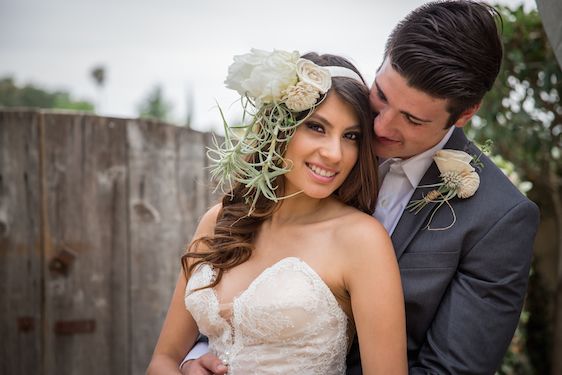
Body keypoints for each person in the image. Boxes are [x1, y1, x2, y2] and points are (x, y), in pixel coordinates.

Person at [181, 1, 540, 374]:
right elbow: (245, 297)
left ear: (465, 114)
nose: (380, 127)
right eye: (382, 96)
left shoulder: (499, 218)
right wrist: (198, 359)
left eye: (412, 120)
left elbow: (450, 370)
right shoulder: (322, 154)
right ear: (383, 59)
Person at [146, 50, 408, 374]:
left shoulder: (361, 240)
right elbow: (162, 360)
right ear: (277, 129)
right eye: (316, 127)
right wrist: (186, 369)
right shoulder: (218, 221)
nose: (334, 153)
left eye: (351, 136)